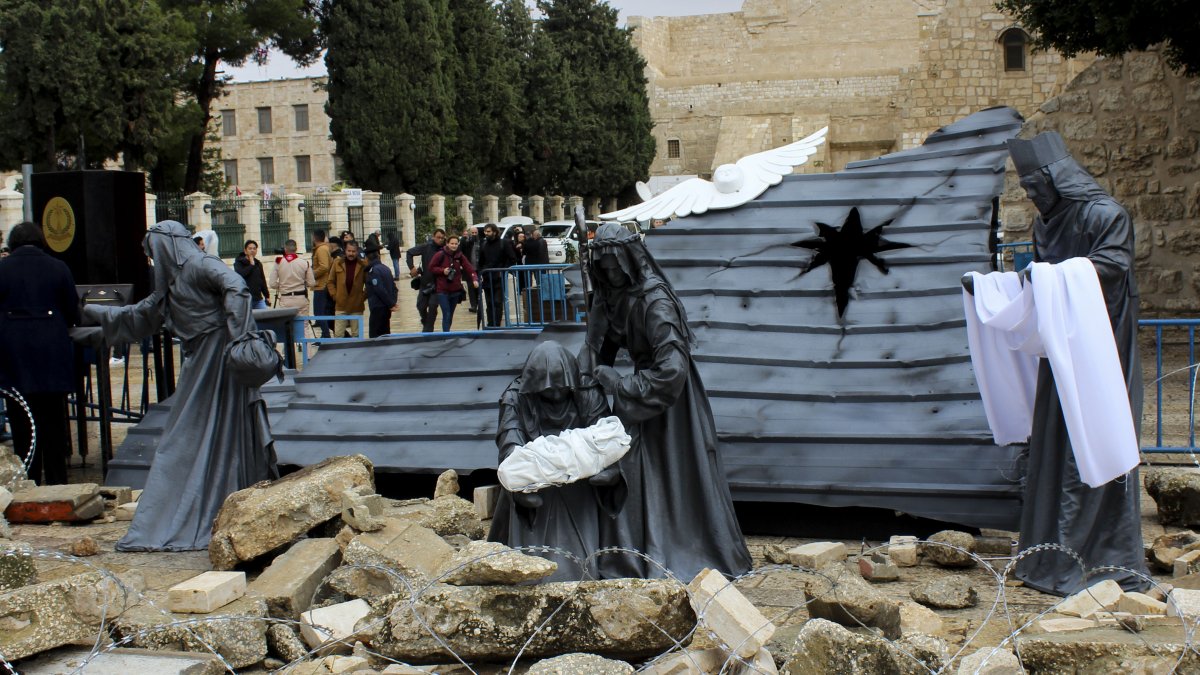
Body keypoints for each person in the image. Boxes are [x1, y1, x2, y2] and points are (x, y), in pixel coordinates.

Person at [1005, 131, 1149, 596]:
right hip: (1063, 347)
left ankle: (1102, 558)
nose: (1031, 196)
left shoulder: (1107, 215)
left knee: (1096, 440)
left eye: (1034, 186)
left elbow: (1110, 266)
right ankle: (1050, 554)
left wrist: (1048, 277)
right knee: (1055, 443)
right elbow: (1039, 282)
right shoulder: (1047, 223)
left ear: (1055, 177)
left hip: (1102, 347)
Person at [82, 220, 278, 551]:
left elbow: (237, 287)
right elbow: (140, 316)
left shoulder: (200, 265)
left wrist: (237, 335)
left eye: (156, 253)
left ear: (169, 246)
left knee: (189, 435)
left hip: (219, 359)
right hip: (203, 361)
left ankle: (214, 503)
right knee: (204, 432)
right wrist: (92, 315)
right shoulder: (171, 284)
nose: (155, 261)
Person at [582, 222, 751, 580]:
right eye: (604, 268)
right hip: (636, 393)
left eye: (615, 267)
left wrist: (619, 383)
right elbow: (596, 351)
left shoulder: (655, 301)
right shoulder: (609, 295)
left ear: (629, 261)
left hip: (670, 401)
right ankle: (629, 553)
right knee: (626, 468)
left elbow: (672, 370)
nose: (610, 274)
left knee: (668, 472)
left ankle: (671, 551)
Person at [488, 341, 618, 581]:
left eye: (561, 388)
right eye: (548, 390)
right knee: (520, 489)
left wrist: (611, 468)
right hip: (535, 478)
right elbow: (510, 438)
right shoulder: (515, 397)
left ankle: (585, 568)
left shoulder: (587, 390)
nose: (556, 394)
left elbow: (606, 433)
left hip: (579, 479)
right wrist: (519, 481)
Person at [0, 222, 78, 485]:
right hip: (52, 351)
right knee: (54, 421)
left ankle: (28, 479)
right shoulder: (58, 267)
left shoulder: (2, 269)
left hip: (13, 353)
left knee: (22, 420)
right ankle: (57, 480)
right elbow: (72, 312)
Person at [428, 235, 477, 332]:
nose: (454, 246)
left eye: (456, 244)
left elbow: (469, 268)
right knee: (446, 313)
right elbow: (431, 267)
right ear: (447, 244)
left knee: (450, 314)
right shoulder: (440, 254)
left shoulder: (460, 256)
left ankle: (447, 332)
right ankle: (446, 335)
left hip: (455, 290)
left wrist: (474, 278)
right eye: (452, 243)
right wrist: (442, 271)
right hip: (442, 290)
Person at [476, 224, 517, 327]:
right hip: (487, 278)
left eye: (488, 231)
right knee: (489, 303)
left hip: (499, 278)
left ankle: (496, 325)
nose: (486, 233)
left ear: (494, 232)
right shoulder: (484, 244)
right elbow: (480, 262)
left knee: (497, 302)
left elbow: (512, 258)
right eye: (485, 231)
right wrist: (480, 272)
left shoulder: (504, 243)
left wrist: (503, 270)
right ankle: (490, 325)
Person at [406, 229, 446, 333]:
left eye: (442, 238)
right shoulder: (426, 247)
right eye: (438, 237)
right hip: (425, 283)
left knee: (433, 306)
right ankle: (426, 321)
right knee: (421, 306)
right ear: (433, 237)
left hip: (438, 284)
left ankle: (428, 329)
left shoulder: (445, 249)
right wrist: (412, 268)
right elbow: (409, 252)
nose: (440, 239)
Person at [327, 239, 367, 338]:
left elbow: (368, 284)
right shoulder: (337, 263)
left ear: (357, 252)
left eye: (353, 251)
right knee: (338, 334)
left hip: (357, 305)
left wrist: (362, 297)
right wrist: (335, 295)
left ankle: (356, 354)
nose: (351, 254)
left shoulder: (362, 265)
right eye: (349, 251)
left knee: (357, 335)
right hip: (341, 304)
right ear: (345, 251)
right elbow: (330, 281)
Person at [270, 239, 315, 315]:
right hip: (301, 298)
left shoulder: (278, 262)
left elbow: (272, 284)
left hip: (285, 299)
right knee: (303, 325)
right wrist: (302, 283)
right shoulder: (304, 263)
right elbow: (312, 283)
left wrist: (282, 285)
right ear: (296, 249)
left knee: (287, 324)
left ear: (285, 249)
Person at [365, 244, 397, 338]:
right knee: (385, 336)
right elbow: (394, 288)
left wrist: (391, 304)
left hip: (378, 307)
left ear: (367, 258)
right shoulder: (386, 268)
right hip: (386, 309)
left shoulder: (373, 271)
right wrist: (392, 303)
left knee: (375, 337)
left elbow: (380, 290)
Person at [311, 230, 334, 338]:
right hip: (321, 284)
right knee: (320, 312)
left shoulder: (321, 250)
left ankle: (326, 335)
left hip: (321, 285)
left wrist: (311, 275)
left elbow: (324, 266)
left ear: (314, 238)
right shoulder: (323, 249)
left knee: (319, 312)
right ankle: (325, 334)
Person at [234, 240, 270, 309]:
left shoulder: (258, 264)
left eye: (254, 248)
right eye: (250, 248)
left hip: (258, 299)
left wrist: (267, 296)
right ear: (245, 250)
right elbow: (240, 274)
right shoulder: (239, 263)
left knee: (266, 316)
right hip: (245, 299)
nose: (252, 250)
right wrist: (251, 265)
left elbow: (262, 280)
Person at [459, 227, 479, 313]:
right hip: (469, 269)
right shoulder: (465, 242)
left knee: (478, 288)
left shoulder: (480, 242)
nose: (474, 234)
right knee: (471, 287)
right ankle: (473, 305)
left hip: (479, 268)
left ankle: (478, 304)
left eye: (475, 233)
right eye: (472, 233)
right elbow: (460, 252)